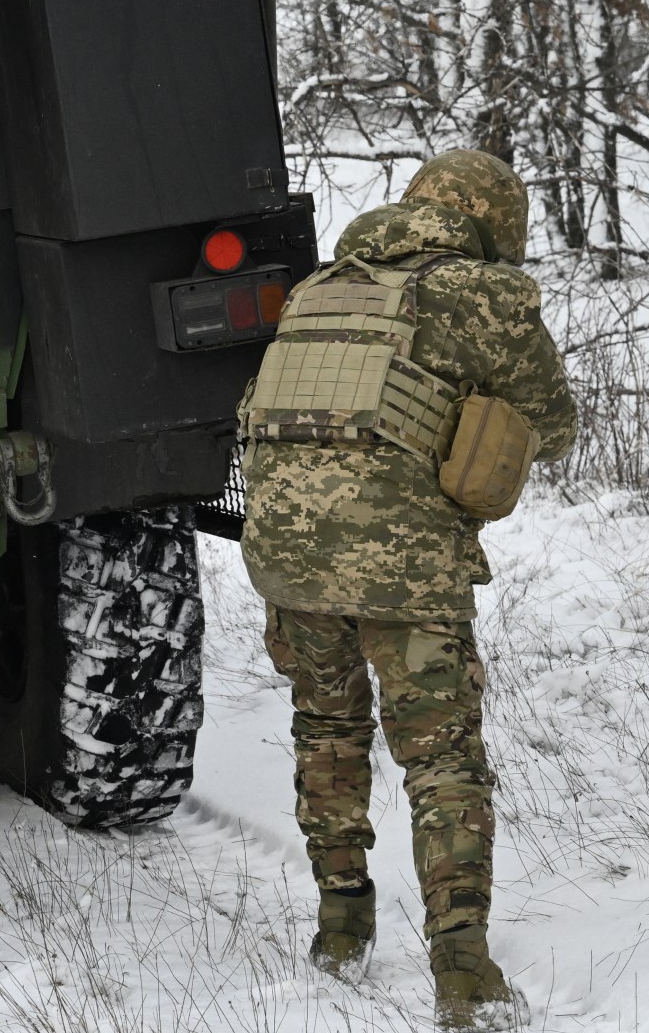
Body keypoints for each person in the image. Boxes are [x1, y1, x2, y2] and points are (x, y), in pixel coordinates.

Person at [238, 150, 577, 1029]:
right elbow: (556, 422)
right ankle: (463, 969)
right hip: (403, 567)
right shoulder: (485, 294)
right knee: (442, 755)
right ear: (493, 224)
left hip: (288, 554)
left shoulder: (318, 289)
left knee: (327, 725)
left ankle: (341, 925)